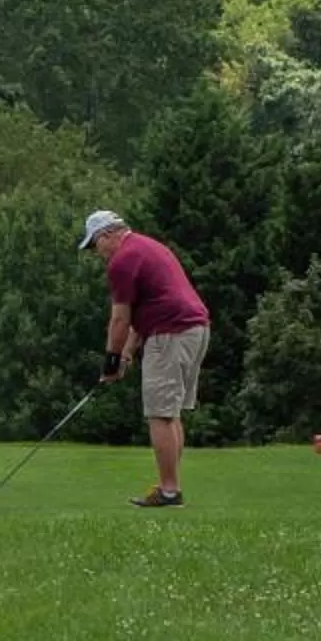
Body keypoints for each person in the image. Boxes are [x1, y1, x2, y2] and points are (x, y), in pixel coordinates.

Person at [79, 209, 211, 509]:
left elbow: (120, 319)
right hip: (194, 329)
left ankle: (169, 491)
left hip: (171, 332)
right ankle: (169, 487)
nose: (96, 253)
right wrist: (125, 356)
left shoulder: (122, 261)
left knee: (159, 414)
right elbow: (142, 315)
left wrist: (110, 360)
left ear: (107, 235)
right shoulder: (147, 246)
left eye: (94, 245)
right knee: (171, 412)